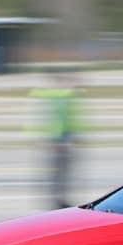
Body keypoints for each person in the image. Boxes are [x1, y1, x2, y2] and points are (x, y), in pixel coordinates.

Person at [30, 72, 84, 209]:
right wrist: (58, 141)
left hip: (59, 140)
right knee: (59, 174)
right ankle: (57, 201)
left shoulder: (60, 97)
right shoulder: (62, 98)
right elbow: (59, 121)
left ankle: (58, 200)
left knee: (60, 174)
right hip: (59, 141)